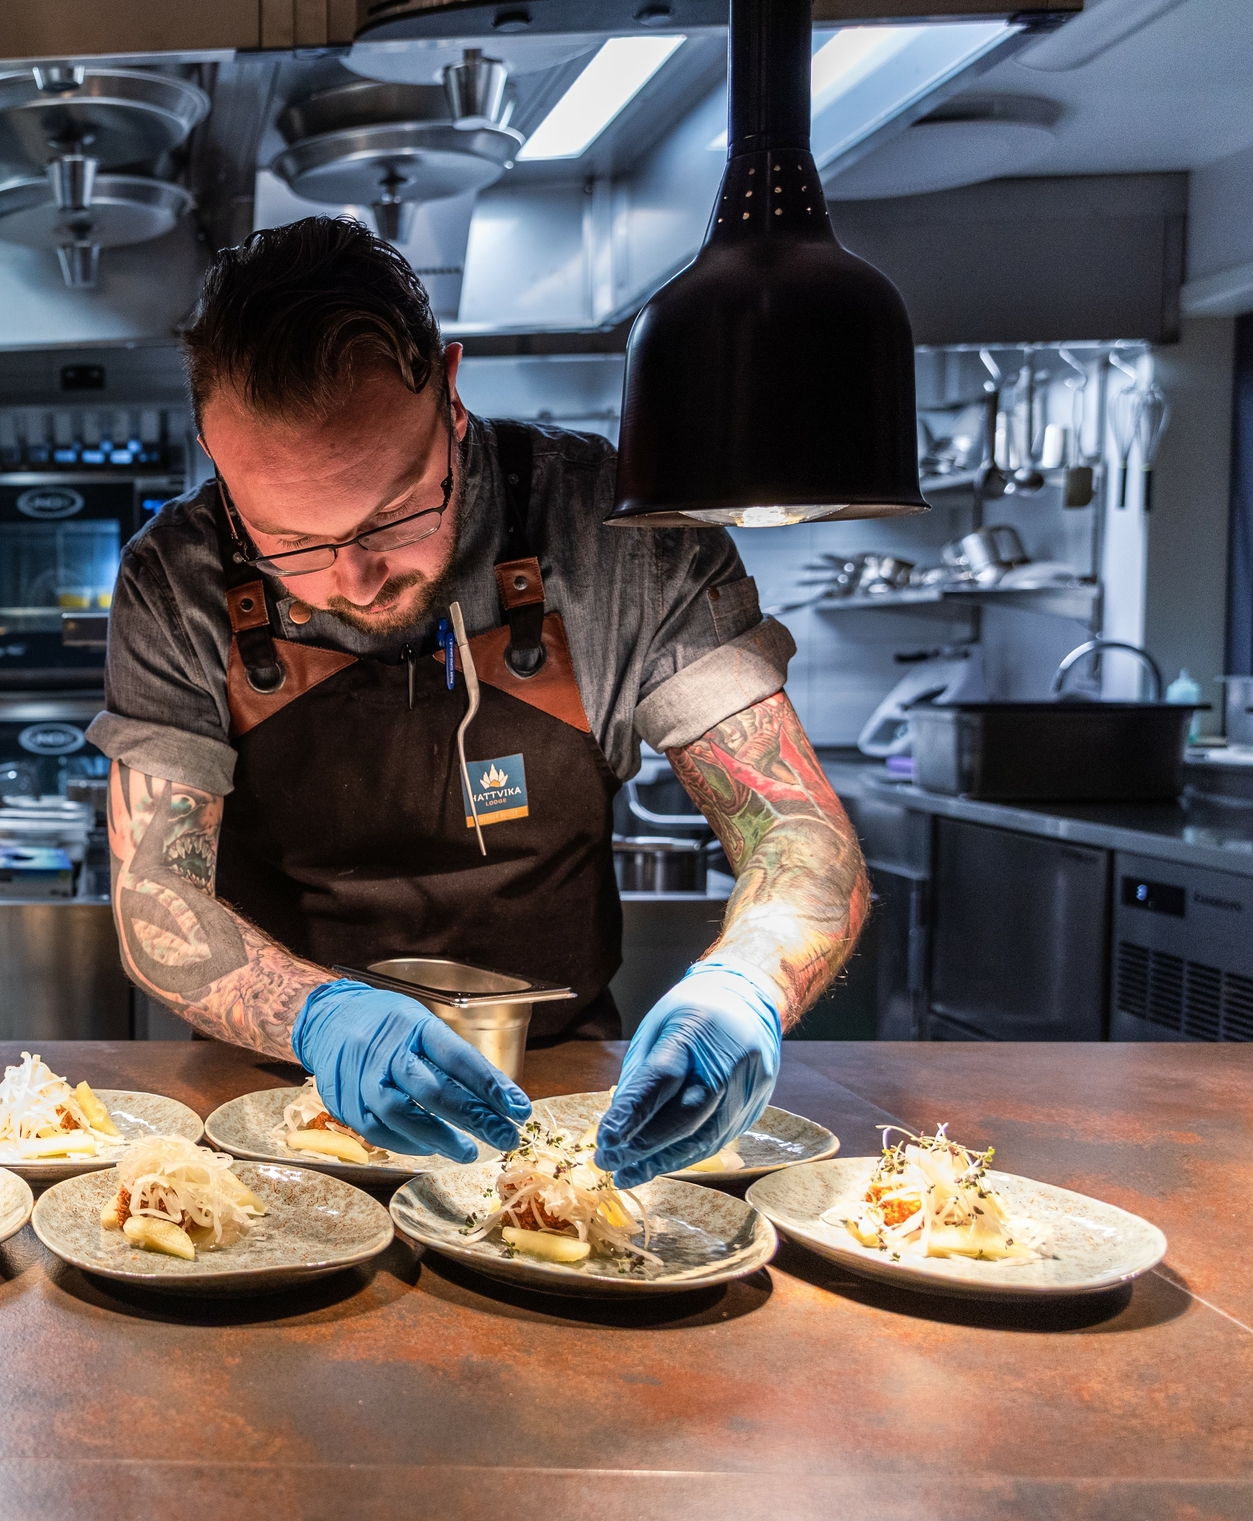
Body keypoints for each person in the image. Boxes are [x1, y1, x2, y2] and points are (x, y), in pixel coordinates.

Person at [92, 218, 868, 1185]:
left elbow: (799, 837)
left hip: (573, 1101)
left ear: (449, 393)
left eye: (394, 512)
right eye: (287, 540)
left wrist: (743, 984)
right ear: (212, 451)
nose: (354, 578)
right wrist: (317, 1015)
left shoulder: (622, 533)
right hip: (272, 1108)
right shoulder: (178, 575)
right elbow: (154, 896)